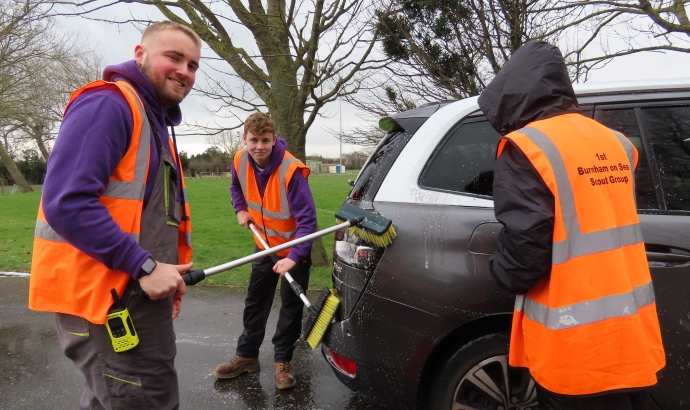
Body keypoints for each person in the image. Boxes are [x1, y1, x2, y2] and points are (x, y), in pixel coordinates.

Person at [478, 41, 666, 409]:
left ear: (511, 92)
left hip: (576, 348)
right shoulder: (617, 143)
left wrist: (498, 271)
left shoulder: (526, 147)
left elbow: (525, 253)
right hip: (630, 335)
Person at [29, 21, 201, 409]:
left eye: (192, 65)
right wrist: (144, 266)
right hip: (107, 300)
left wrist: (165, 272)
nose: (185, 72)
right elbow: (67, 202)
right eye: (173, 57)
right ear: (139, 54)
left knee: (112, 398)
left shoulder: (151, 121)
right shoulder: (109, 104)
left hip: (133, 294)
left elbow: (148, 217)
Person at [213, 112, 317, 390]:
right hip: (264, 246)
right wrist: (241, 209)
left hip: (295, 249)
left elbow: (308, 222)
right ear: (245, 139)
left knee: (290, 307)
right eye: (253, 140)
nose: (259, 146)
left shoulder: (291, 171)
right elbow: (235, 187)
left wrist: (293, 258)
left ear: (274, 140)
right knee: (256, 302)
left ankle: (283, 362)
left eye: (265, 141)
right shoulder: (239, 160)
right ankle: (247, 356)